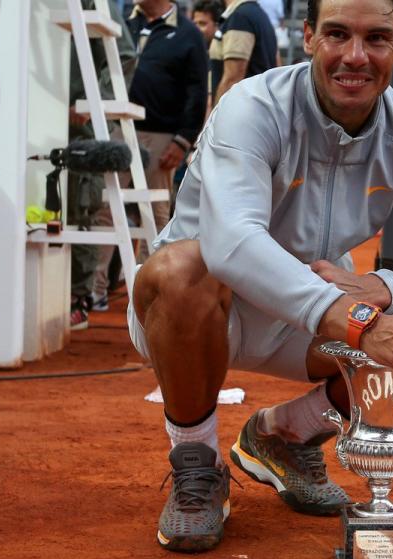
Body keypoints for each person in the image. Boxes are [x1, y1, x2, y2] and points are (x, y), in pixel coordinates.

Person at [129, 0, 393, 552]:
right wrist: (359, 321)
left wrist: (385, 289)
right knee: (182, 266)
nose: (355, 56)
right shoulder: (252, 106)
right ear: (307, 37)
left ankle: (285, 436)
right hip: (196, 313)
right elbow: (232, 245)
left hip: (306, 325)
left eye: (376, 38)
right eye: (336, 34)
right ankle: (197, 466)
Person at [69, 0, 137, 327]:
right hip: (28, 113)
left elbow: (124, 52)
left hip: (78, 120)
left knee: (81, 207)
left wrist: (94, 103)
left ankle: (78, 296)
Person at [126, 0, 210, 258]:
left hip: (162, 136)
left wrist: (183, 140)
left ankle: (152, 285)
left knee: (155, 212)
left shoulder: (189, 33)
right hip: (118, 127)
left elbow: (196, 91)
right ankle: (97, 290)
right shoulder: (126, 23)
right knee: (105, 209)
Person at [210, 0, 278, 105]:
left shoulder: (240, 17)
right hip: (257, 108)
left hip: (240, 111)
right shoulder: (261, 15)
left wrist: (216, 118)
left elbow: (232, 79)